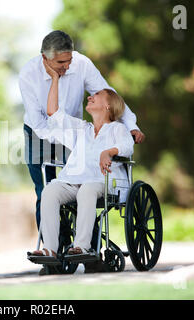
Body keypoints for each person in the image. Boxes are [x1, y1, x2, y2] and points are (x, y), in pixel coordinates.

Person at [19, 30, 144, 230]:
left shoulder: (81, 64)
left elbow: (109, 96)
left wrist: (131, 126)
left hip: (73, 131)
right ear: (45, 58)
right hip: (38, 132)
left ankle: (89, 250)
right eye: (61, 63)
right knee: (44, 189)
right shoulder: (28, 74)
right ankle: (53, 255)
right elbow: (41, 123)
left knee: (81, 185)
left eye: (69, 60)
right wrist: (61, 131)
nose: (67, 66)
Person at [30, 59, 134, 259]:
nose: (90, 97)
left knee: (87, 190)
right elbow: (53, 113)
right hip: (74, 181)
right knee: (50, 191)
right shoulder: (81, 129)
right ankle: (50, 248)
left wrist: (109, 152)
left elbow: (127, 146)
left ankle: (82, 246)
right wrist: (54, 79)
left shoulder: (117, 129)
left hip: (104, 182)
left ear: (108, 106)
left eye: (96, 95)